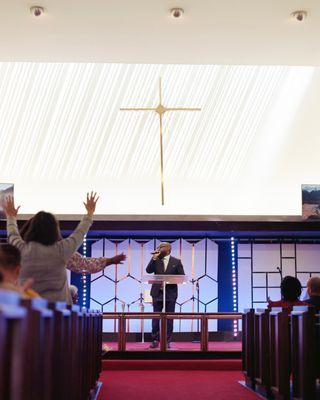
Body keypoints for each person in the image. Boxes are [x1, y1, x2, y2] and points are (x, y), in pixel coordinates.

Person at [4, 192, 98, 304]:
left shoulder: (21, 249)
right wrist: (90, 213)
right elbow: (80, 232)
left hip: (28, 311)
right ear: (55, 230)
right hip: (58, 315)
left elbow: (12, 234)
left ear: (32, 229)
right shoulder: (62, 249)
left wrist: (11, 217)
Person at [146, 242, 185, 349]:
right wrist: (153, 258)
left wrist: (169, 279)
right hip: (157, 293)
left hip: (170, 294)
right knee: (155, 317)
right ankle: (155, 339)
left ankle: (167, 340)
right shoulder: (156, 259)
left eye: (161, 246)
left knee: (169, 318)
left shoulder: (176, 262)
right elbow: (148, 270)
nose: (158, 248)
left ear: (168, 249)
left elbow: (181, 277)